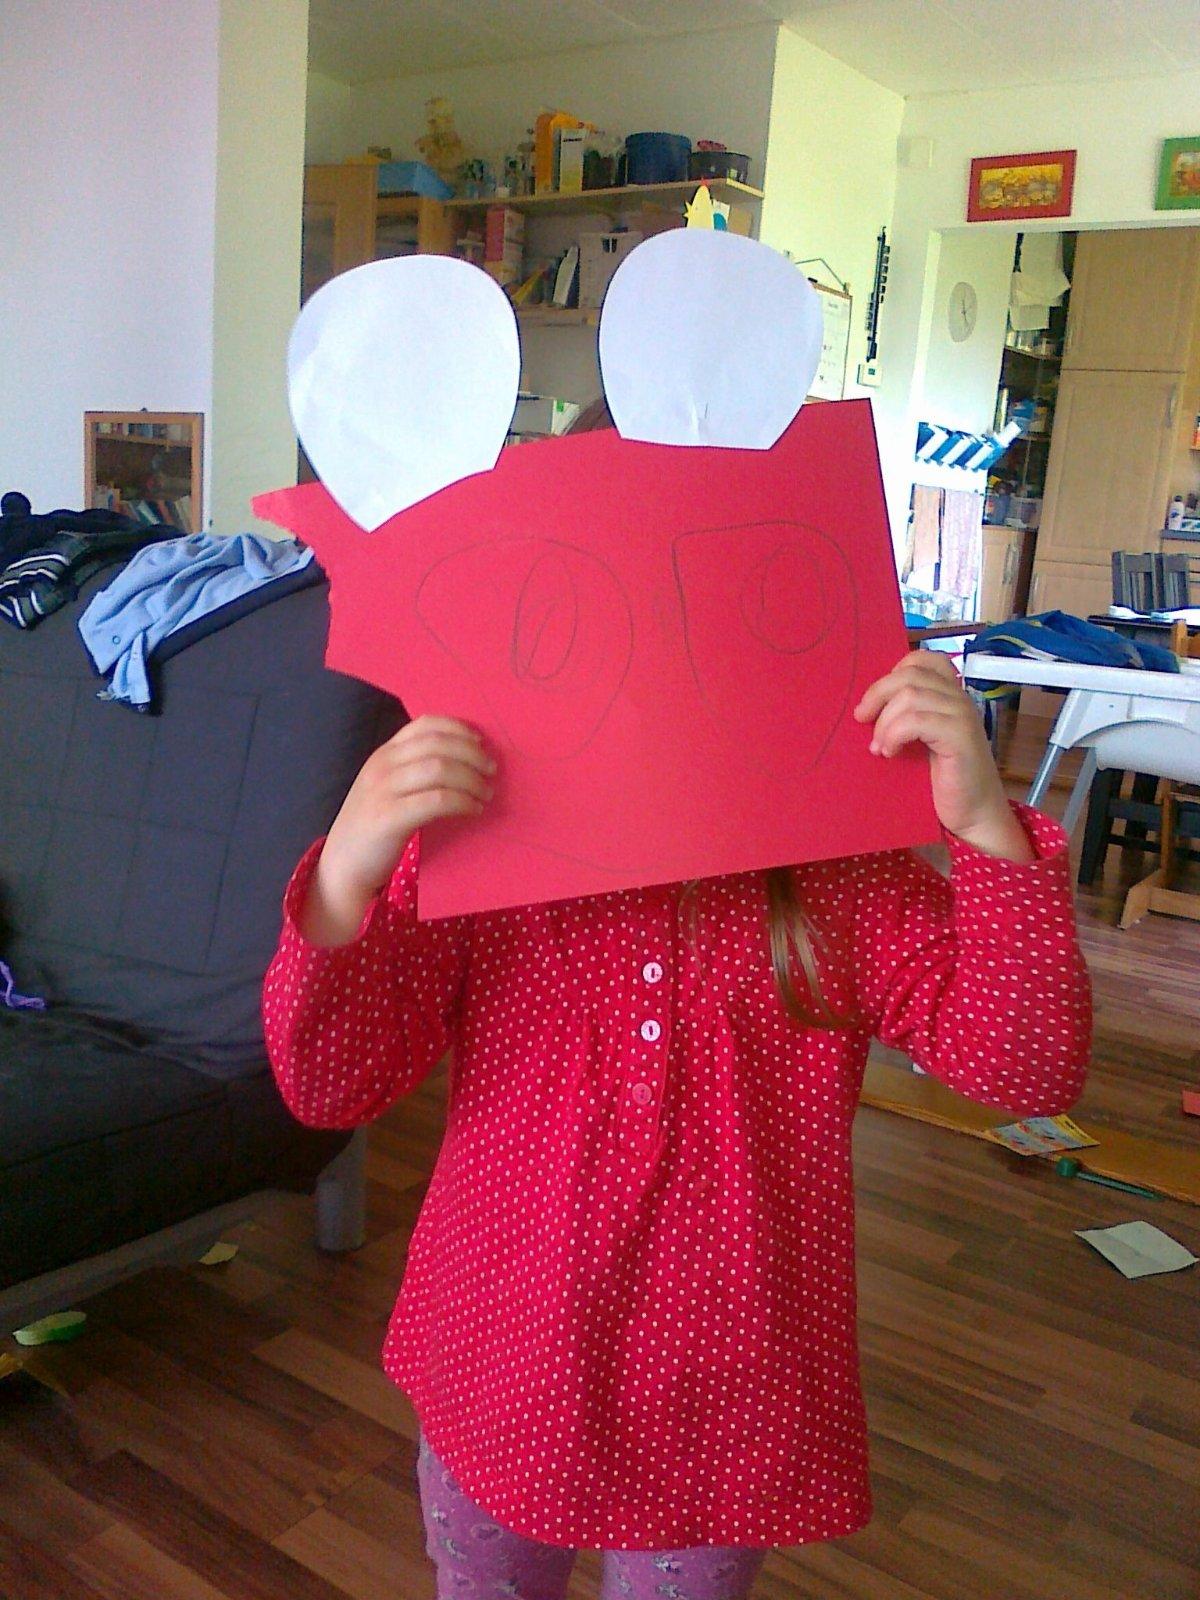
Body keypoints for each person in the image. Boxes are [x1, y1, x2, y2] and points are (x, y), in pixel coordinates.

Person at [263, 635, 1091, 1600]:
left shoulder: (838, 876)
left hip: (722, 1400)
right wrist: (347, 871)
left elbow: (1028, 1065)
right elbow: (329, 1086)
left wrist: (984, 822)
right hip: (503, 1363)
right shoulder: (479, 853)